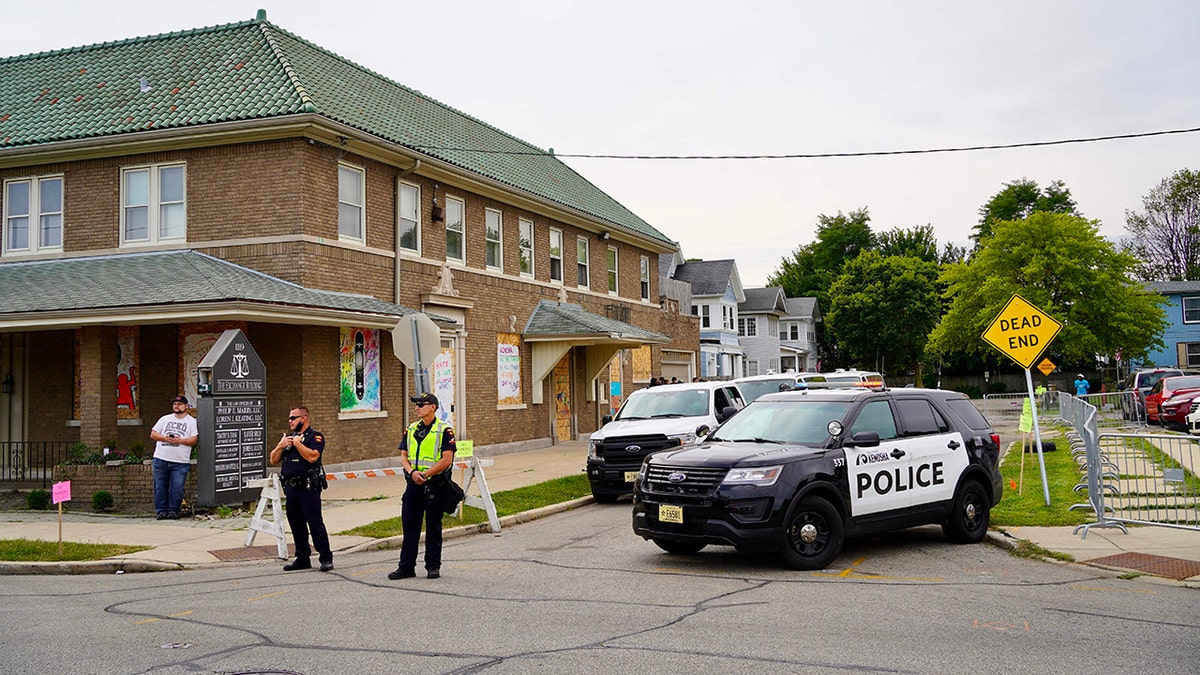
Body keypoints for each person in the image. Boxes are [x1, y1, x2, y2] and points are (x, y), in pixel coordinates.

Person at [389, 392, 456, 580]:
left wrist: (426, 474)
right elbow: (404, 455)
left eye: (421, 404)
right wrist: (412, 472)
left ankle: (433, 566)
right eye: (416, 405)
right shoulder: (411, 429)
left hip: (434, 485)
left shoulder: (444, 430)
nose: (417, 408)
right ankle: (406, 567)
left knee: (433, 527)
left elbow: (447, 459)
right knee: (410, 527)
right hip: (413, 484)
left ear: (432, 407)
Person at [270, 406, 333, 572]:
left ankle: (325, 557)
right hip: (291, 488)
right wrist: (280, 446)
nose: (290, 421)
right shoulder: (289, 439)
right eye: (290, 418)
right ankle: (302, 557)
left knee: (315, 523)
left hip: (308, 488)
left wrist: (298, 444)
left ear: (303, 418)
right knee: (296, 524)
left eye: (293, 418)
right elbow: (273, 460)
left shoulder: (315, 437)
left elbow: (313, 457)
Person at [149, 395, 199, 520]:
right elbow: (153, 434)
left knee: (177, 488)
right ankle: (161, 511)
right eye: (175, 404)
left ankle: (174, 511)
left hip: (180, 462)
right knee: (160, 487)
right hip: (161, 458)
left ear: (186, 406)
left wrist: (180, 440)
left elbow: (194, 439)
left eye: (180, 404)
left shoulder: (192, 422)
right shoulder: (164, 419)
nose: (177, 406)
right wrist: (165, 438)